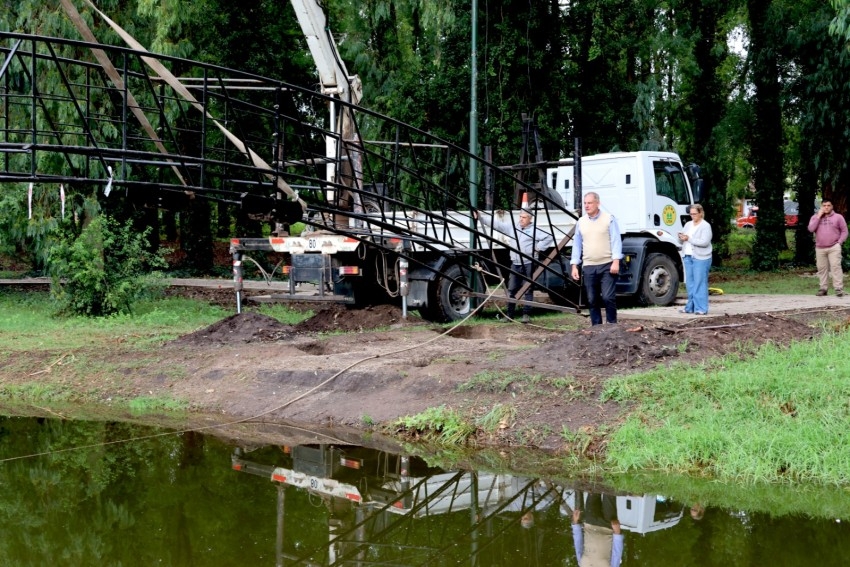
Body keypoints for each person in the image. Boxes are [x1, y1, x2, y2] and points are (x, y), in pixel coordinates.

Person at [475, 208, 554, 323]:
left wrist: (539, 248)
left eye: (524, 217)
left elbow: (549, 237)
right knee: (511, 289)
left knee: (528, 289)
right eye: (520, 217)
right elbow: (497, 225)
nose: (521, 219)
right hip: (515, 263)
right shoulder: (513, 227)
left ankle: (526, 315)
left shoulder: (534, 230)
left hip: (529, 262)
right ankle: (509, 315)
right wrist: (481, 217)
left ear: (530, 219)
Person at [570, 192, 623, 325]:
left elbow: (616, 240)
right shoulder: (581, 222)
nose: (587, 206)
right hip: (588, 265)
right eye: (585, 203)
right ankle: (596, 328)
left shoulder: (608, 219)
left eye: (590, 203)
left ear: (598, 203)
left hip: (607, 264)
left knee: (607, 297)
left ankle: (612, 325)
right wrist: (574, 265)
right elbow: (576, 245)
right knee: (592, 299)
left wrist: (616, 261)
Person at [571, 492, 624, 567]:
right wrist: (617, 532)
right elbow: (617, 553)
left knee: (593, 488)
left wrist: (575, 522)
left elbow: (578, 543)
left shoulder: (581, 564)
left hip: (590, 522)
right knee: (609, 492)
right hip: (608, 526)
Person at [807, 199, 848, 297]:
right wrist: (818, 216)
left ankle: (838, 289)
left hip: (834, 247)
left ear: (832, 206)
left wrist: (839, 242)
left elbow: (844, 231)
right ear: (821, 206)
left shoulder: (838, 217)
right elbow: (811, 229)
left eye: (828, 205)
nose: (826, 207)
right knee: (822, 269)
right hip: (820, 247)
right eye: (824, 205)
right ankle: (823, 289)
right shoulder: (815, 217)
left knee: (836, 267)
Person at [678, 204, 713, 314]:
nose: (692, 216)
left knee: (700, 283)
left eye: (694, 214)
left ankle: (701, 308)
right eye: (691, 214)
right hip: (688, 256)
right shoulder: (688, 224)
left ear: (700, 213)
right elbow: (682, 240)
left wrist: (689, 238)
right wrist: (681, 237)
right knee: (690, 283)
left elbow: (704, 242)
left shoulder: (705, 226)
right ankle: (690, 307)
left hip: (701, 258)